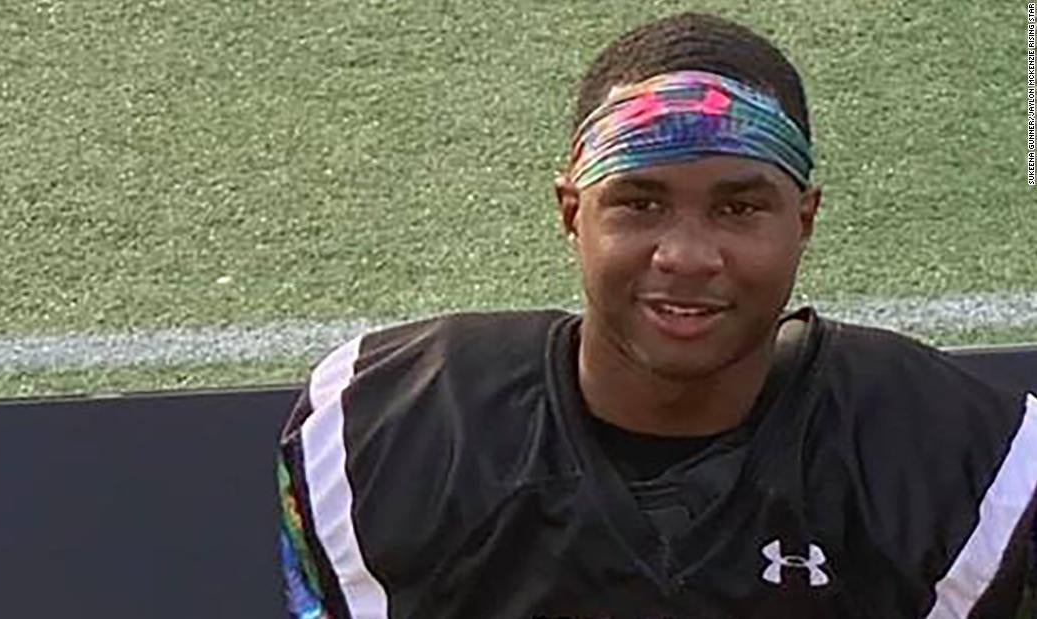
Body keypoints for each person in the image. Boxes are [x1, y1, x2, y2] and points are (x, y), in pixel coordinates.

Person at [276, 11, 1036, 619]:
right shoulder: (390, 433)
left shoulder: (953, 461)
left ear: (804, 219)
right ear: (571, 213)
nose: (686, 255)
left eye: (738, 208)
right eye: (639, 203)